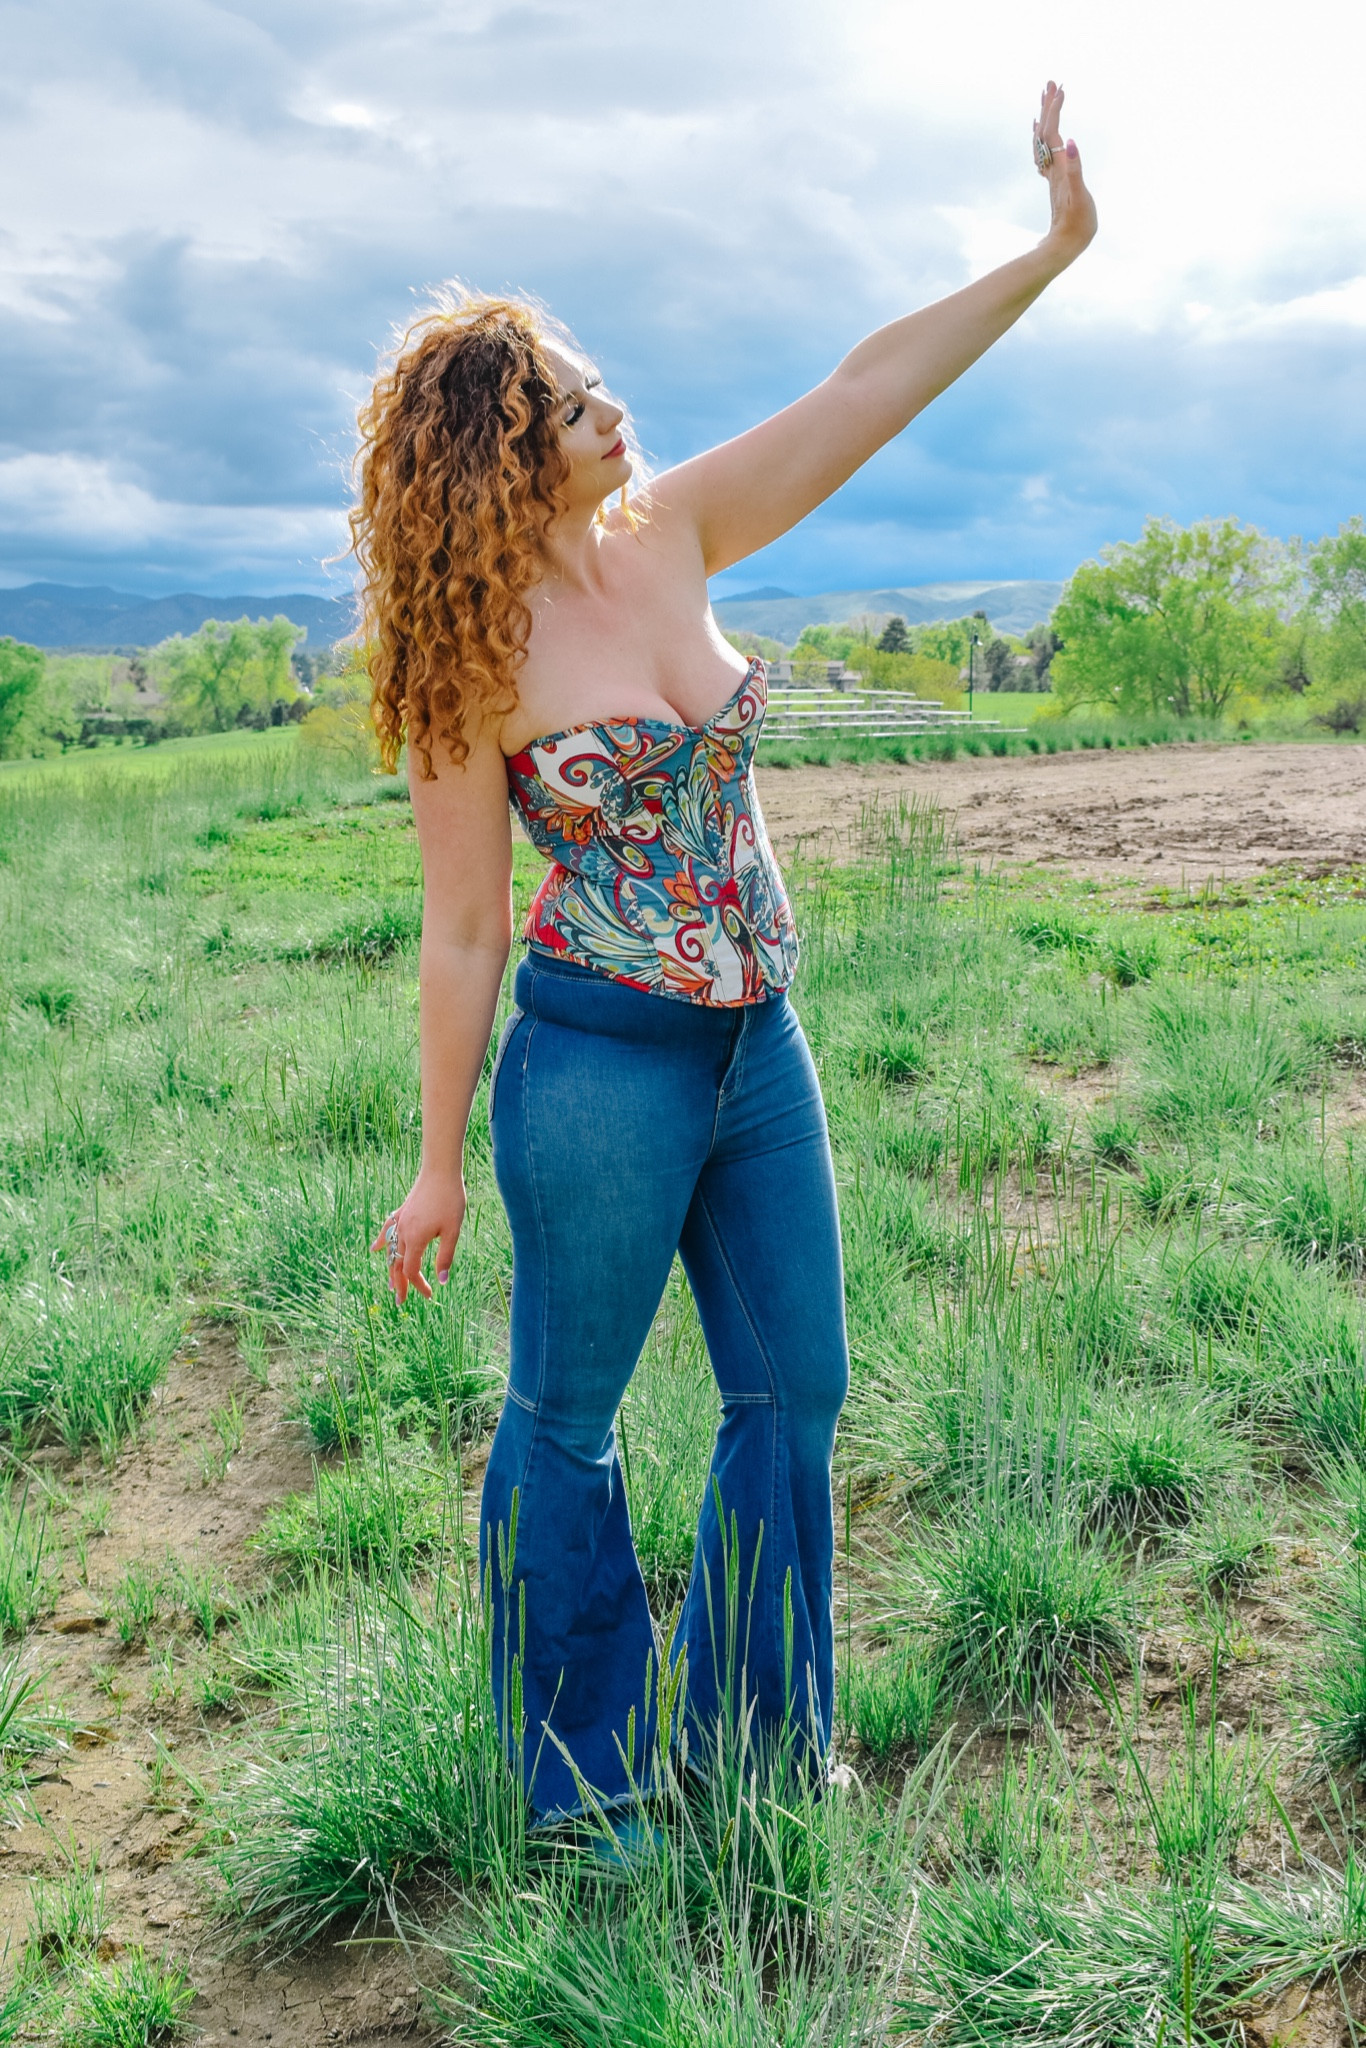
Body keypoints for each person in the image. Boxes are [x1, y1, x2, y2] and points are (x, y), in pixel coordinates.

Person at [361, 83, 1095, 1827]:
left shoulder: (674, 528)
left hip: (760, 1048)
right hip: (598, 1066)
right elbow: (463, 926)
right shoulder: (466, 655)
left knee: (794, 1392)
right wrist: (435, 1163)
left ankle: (763, 1762)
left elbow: (858, 387)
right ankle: (586, 1792)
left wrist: (1052, 249)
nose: (609, 405)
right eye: (564, 399)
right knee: (568, 1417)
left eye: (592, 378)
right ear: (495, 448)